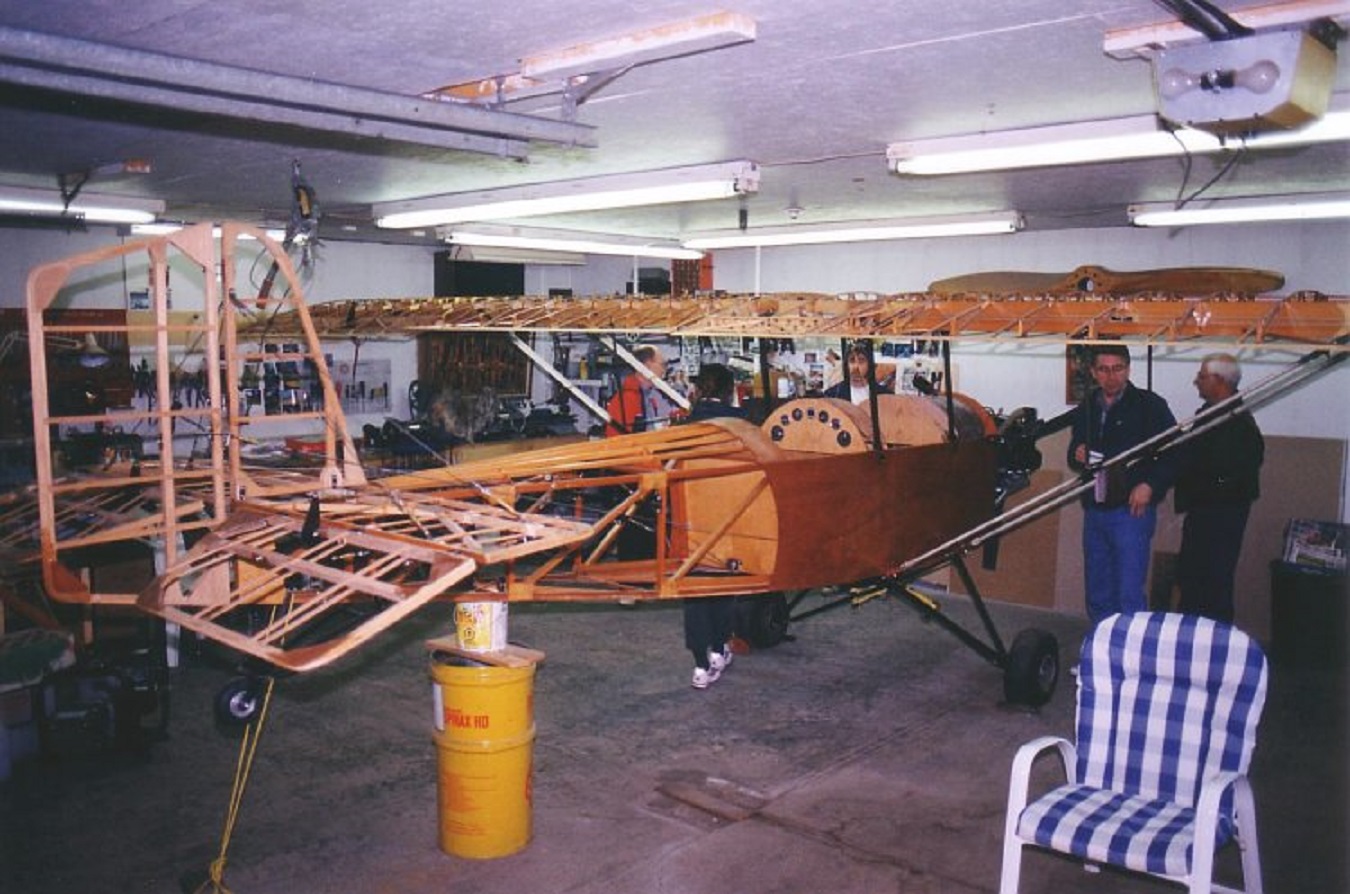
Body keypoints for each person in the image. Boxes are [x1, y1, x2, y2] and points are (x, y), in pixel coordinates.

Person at [1068, 345, 1177, 623]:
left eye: (1118, 369)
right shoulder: (1087, 406)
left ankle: (1129, 661)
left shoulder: (1150, 405)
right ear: (1093, 372)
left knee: (1128, 593)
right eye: (1103, 369)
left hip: (1131, 511)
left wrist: (1149, 485)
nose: (1111, 376)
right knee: (1097, 591)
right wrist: (1077, 452)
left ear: (1128, 369)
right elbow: (1074, 452)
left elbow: (1174, 453)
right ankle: (1101, 657)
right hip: (1095, 509)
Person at [1174, 353, 1263, 623]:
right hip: (1205, 513)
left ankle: (1213, 652)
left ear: (1219, 380)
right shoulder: (1209, 415)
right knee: (1192, 582)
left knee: (1213, 586)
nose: (1195, 381)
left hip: (1220, 517)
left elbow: (1227, 471)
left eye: (1201, 376)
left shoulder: (1238, 423)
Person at [682, 363, 744, 688]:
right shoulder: (740, 423)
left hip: (690, 521)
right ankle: (720, 648)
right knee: (724, 584)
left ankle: (699, 665)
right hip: (729, 518)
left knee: (695, 592)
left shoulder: (685, 424)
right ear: (728, 390)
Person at [605, 344, 676, 437]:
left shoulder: (650, 395)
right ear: (647, 365)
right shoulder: (626, 400)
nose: (664, 370)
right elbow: (618, 439)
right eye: (663, 365)